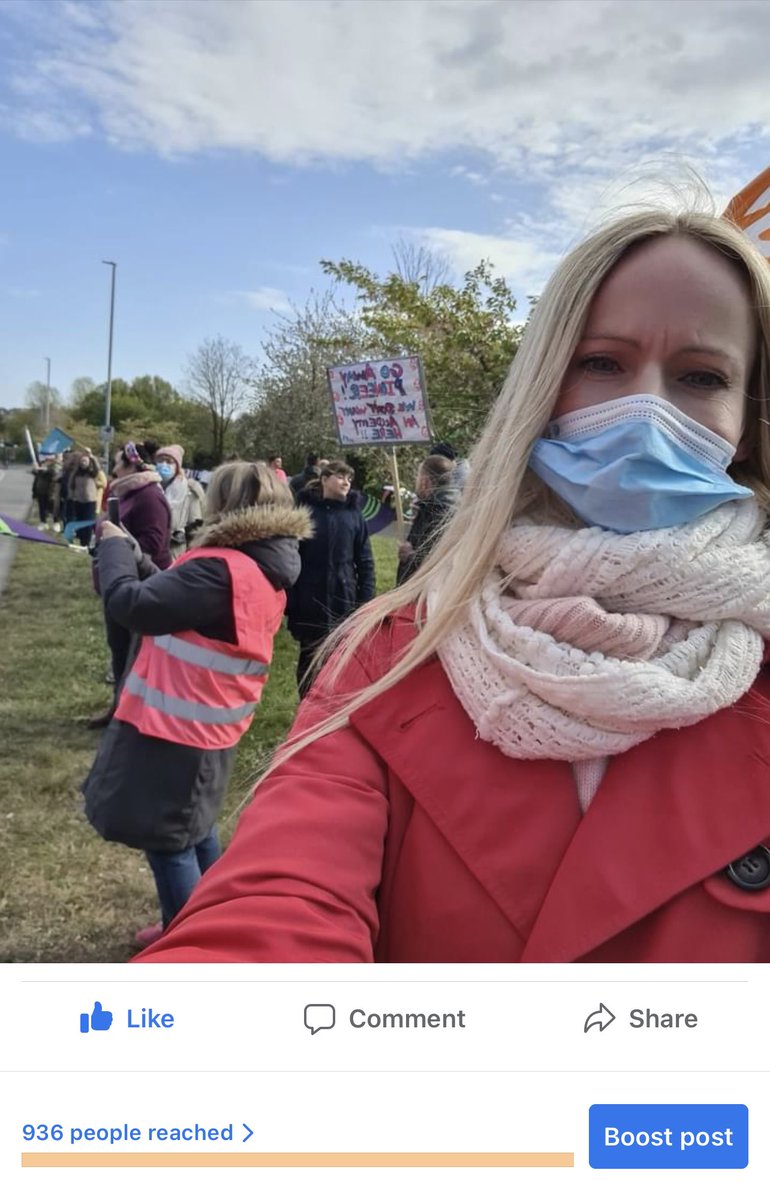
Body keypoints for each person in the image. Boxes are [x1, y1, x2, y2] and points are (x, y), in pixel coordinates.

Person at [136, 206, 770, 965]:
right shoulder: (389, 655)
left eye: (702, 376)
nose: (646, 412)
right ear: (540, 389)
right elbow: (273, 909)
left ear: (748, 425)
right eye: (601, 362)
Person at [83, 461, 311, 948]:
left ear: (224, 504)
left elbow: (132, 605)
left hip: (176, 731)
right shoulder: (255, 563)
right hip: (204, 726)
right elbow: (168, 595)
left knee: (170, 844)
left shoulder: (219, 569)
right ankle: (206, 923)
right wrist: (137, 556)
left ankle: (192, 947)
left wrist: (112, 549)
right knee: (195, 830)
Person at [87, 442, 172, 729]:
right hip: (119, 582)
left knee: (132, 654)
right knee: (119, 649)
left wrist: (116, 546)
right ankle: (117, 709)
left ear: (132, 465)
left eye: (118, 463)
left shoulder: (149, 496)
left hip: (137, 586)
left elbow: (153, 543)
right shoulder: (127, 492)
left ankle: (128, 716)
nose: (113, 469)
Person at [286, 460, 375, 697]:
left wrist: (365, 601)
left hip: (342, 598)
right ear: (325, 479)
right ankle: (305, 703)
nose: (346, 482)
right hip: (309, 598)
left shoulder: (354, 516)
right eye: (340, 476)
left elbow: (365, 561)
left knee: (337, 659)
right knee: (309, 657)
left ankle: (328, 708)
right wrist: (292, 599)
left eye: (349, 478)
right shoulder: (304, 512)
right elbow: (292, 557)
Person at [396, 454, 460, 585]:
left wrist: (409, 556)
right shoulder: (438, 507)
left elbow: (437, 561)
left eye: (418, 477)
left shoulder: (439, 512)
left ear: (425, 481)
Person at [154, 444, 206, 559]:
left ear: (177, 466)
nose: (164, 464)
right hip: (153, 548)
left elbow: (196, 525)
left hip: (177, 552)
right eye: (160, 460)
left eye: (169, 461)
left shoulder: (190, 491)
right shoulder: (151, 487)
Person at [69, 452, 101, 545]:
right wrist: (72, 495)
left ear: (89, 462)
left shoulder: (92, 473)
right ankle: (82, 542)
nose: (83, 463)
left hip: (89, 502)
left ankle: (86, 543)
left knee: (87, 523)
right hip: (78, 501)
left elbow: (97, 468)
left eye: (85, 461)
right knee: (79, 521)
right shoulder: (76, 473)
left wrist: (92, 457)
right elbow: (71, 485)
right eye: (82, 461)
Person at [31, 456, 61, 527]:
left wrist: (41, 469)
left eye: (49, 459)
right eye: (46, 459)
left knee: (53, 507)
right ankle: (43, 522)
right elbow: (35, 473)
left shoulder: (56, 466)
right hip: (41, 490)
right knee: (42, 507)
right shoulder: (42, 465)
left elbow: (53, 473)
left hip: (52, 491)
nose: (47, 460)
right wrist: (35, 468)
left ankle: (56, 523)